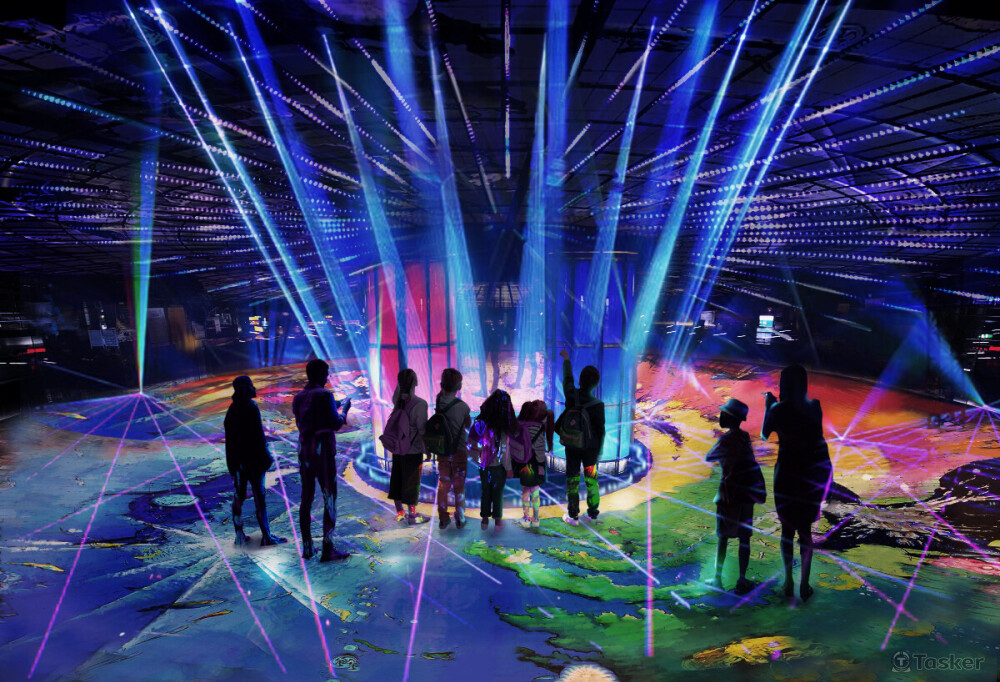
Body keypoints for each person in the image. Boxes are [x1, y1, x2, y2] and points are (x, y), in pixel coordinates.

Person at [761, 364, 833, 602]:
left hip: (786, 474)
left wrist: (768, 406)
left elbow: (764, 434)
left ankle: (788, 582)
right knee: (805, 533)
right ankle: (804, 584)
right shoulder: (814, 406)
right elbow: (817, 438)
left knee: (787, 530)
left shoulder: (778, 409)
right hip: (808, 475)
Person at [292, 359, 351, 561]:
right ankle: (328, 547)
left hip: (304, 452)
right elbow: (335, 423)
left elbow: (308, 419)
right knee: (329, 498)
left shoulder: (299, 397)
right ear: (319, 374)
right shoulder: (325, 395)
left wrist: (334, 406)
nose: (327, 377)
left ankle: (308, 547)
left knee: (306, 499)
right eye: (325, 373)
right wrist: (344, 410)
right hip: (323, 452)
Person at [706, 398, 765, 595]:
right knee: (744, 538)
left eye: (723, 413)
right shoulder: (744, 437)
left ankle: (717, 578)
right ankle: (741, 579)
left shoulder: (726, 439)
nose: (720, 416)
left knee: (723, 537)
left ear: (730, 417)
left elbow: (710, 457)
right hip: (746, 494)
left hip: (728, 495)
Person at [224, 375, 285, 547]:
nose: (254, 388)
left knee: (239, 497)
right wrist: (266, 458)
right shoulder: (251, 407)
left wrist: (233, 465)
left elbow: (230, 442)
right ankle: (267, 536)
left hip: (238, 463)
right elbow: (258, 437)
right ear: (246, 388)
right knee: (259, 498)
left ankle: (239, 535)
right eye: (251, 385)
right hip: (253, 462)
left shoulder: (232, 409)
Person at [557, 349, 605, 526]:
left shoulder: (572, 395)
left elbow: (567, 379)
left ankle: (573, 516)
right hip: (590, 449)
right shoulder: (598, 405)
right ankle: (592, 514)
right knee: (591, 480)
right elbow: (601, 430)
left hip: (572, 445)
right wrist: (599, 451)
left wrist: (566, 360)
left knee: (572, 479)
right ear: (596, 385)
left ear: (580, 380)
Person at [468, 390, 517, 529]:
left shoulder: (481, 424)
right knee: (497, 493)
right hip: (498, 467)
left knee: (486, 491)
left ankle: (484, 520)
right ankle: (497, 521)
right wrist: (509, 468)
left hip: (484, 466)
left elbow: (470, 444)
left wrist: (479, 458)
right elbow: (504, 451)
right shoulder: (503, 427)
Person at [387, 368, 429, 525]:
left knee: (397, 477)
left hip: (398, 448)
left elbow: (399, 391)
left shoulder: (396, 400)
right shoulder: (420, 404)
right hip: (413, 449)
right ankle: (413, 515)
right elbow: (422, 430)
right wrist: (427, 449)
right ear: (415, 383)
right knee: (412, 481)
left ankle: (400, 511)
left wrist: (402, 382)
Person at [433, 368, 472, 530]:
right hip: (459, 452)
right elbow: (468, 424)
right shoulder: (463, 406)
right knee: (459, 485)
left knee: (444, 485)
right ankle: (460, 518)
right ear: (459, 387)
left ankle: (443, 518)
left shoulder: (439, 402)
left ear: (442, 385)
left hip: (443, 451)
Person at [516, 400, 552, 528]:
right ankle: (536, 519)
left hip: (526, 463)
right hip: (540, 463)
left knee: (526, 490)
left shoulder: (522, 426)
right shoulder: (542, 426)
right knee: (536, 490)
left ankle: (526, 518)